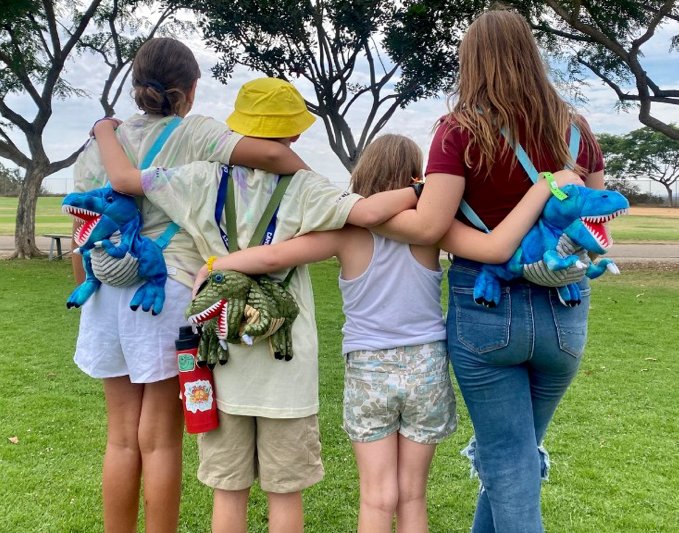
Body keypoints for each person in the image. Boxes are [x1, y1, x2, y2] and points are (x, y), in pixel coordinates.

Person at [187, 134, 584, 533]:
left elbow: (273, 255)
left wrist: (218, 264)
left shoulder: (345, 232)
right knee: (412, 496)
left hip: (367, 370)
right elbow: (496, 246)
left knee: (376, 499)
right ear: (416, 177)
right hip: (426, 366)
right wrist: (541, 188)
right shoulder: (435, 230)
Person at [89, 79, 426, 533]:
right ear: (295, 135)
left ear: (239, 126)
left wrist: (104, 130)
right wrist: (419, 192)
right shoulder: (306, 186)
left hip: (221, 355)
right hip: (286, 365)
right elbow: (367, 213)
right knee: (284, 493)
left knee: (229, 492)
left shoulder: (198, 178)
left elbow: (124, 181)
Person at [372, 9, 605, 533]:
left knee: (508, 461)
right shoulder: (577, 131)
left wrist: (373, 218)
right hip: (564, 311)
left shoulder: (458, 131)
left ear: (471, 61)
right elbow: (593, 218)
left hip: (486, 309)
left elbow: (430, 224)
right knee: (515, 458)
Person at [71, 40, 310, 533]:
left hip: (104, 297)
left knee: (119, 438)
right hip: (167, 295)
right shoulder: (197, 132)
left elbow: (81, 228)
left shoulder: (101, 144)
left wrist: (88, 288)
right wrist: (309, 181)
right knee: (160, 438)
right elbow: (272, 155)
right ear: (190, 90)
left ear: (136, 86)